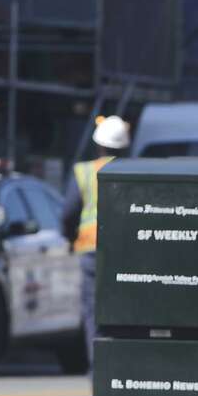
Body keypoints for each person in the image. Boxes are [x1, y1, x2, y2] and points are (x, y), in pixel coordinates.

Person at [62, 115, 129, 367]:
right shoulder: (133, 169)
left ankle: (99, 372)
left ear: (98, 145)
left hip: (91, 251)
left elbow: (69, 212)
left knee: (94, 314)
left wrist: (69, 239)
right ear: (125, 146)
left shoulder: (84, 171)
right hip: (125, 251)